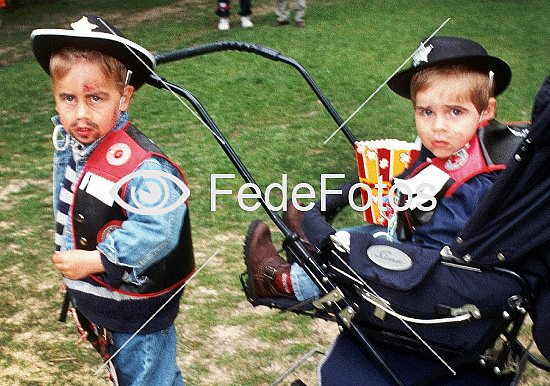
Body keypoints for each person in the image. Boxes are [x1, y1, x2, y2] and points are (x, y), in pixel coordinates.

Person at [244, 36, 514, 301]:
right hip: (409, 242)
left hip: (423, 274)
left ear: (485, 111)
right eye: (426, 112)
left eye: (455, 111)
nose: (438, 126)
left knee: (344, 257)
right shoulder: (458, 144)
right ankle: (310, 246)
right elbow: (414, 174)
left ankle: (281, 281)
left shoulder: (478, 184)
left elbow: (433, 253)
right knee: (348, 238)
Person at [31, 14, 194, 385]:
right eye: (68, 98)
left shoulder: (143, 167)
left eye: (96, 97)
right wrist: (77, 276)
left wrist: (94, 260)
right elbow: (74, 209)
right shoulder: (76, 148)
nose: (81, 113)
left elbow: (159, 230)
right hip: (105, 302)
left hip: (136, 314)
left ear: (124, 97)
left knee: (150, 380)